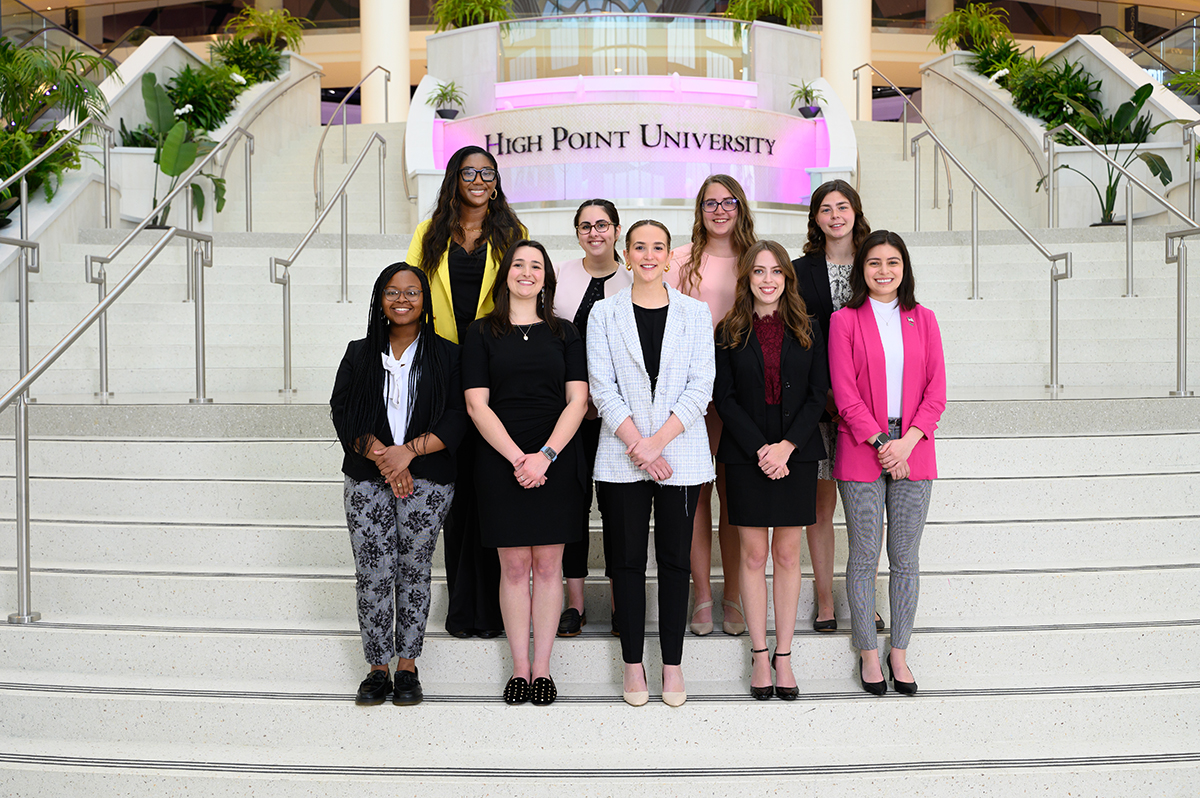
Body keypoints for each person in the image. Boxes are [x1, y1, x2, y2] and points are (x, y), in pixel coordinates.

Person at [588, 220, 716, 708]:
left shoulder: (695, 313)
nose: (647, 254)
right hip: (621, 458)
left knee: (675, 561)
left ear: (669, 257)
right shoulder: (604, 314)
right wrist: (638, 444)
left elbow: (699, 387)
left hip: (680, 455)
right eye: (638, 246)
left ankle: (672, 664)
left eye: (657, 247)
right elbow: (602, 387)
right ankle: (633, 665)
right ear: (625, 253)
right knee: (625, 563)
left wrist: (657, 442)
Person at [330, 263, 467, 707]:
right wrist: (384, 458)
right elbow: (343, 410)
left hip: (428, 479)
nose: (402, 299)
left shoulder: (448, 355)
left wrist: (408, 452)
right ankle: (377, 667)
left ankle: (407, 665)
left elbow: (457, 418)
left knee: (413, 570)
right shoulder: (359, 352)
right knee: (373, 573)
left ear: (425, 300)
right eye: (392, 291)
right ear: (379, 299)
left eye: (411, 292)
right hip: (367, 479)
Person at [462, 240, 589, 707]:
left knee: (549, 564)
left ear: (546, 279)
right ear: (505, 274)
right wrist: (520, 458)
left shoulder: (566, 333)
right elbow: (477, 404)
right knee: (514, 566)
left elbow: (578, 400)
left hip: (556, 458)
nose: (527, 272)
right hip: (501, 459)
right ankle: (519, 669)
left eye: (536, 266)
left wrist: (546, 456)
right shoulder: (480, 333)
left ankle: (543, 669)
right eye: (519, 264)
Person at [406, 145, 525, 639]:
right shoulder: (429, 232)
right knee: (454, 497)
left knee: (492, 491)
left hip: (494, 367)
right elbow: (409, 290)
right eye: (469, 172)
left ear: (496, 181)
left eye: (487, 172)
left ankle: (495, 613)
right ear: (455, 178)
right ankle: (462, 611)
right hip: (442, 368)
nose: (478, 180)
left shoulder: (512, 233)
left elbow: (523, 289)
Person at [829, 230, 946, 697]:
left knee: (905, 558)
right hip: (862, 446)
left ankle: (899, 651)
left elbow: (936, 393)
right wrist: (883, 443)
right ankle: (869, 653)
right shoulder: (845, 320)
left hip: (915, 447)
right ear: (862, 269)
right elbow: (844, 391)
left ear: (904, 267)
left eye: (892, 262)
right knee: (862, 556)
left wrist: (908, 441)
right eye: (874, 262)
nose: (883, 271)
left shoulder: (925, 319)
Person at [714, 241, 828, 701]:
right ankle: (758, 654)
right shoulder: (728, 330)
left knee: (786, 555)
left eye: (776, 272)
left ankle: (784, 655)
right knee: (752, 555)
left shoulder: (809, 329)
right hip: (746, 456)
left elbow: (817, 395)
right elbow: (725, 399)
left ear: (787, 279)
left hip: (795, 455)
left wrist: (786, 446)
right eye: (759, 272)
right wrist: (762, 448)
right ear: (747, 279)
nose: (767, 280)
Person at [668, 174, 756, 638]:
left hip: (745, 397)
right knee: (698, 494)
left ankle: (734, 597)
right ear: (699, 209)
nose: (720, 210)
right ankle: (702, 594)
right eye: (710, 203)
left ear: (741, 207)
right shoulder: (681, 260)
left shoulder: (757, 260)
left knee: (736, 497)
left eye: (729, 202)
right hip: (695, 396)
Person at [791, 179, 875, 633]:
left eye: (843, 207)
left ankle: (866, 599)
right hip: (821, 407)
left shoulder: (876, 262)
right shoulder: (801, 270)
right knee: (822, 508)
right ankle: (825, 600)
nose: (835, 215)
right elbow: (799, 339)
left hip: (871, 410)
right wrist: (826, 397)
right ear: (816, 218)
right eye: (826, 208)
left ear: (856, 212)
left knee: (865, 511)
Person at [552, 199, 633, 638]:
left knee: (619, 510)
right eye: (585, 225)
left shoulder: (634, 279)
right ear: (577, 231)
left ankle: (622, 602)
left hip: (617, 415)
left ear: (617, 230)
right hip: (569, 413)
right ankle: (576, 603)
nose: (594, 231)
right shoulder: (561, 274)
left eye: (603, 224)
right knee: (573, 506)